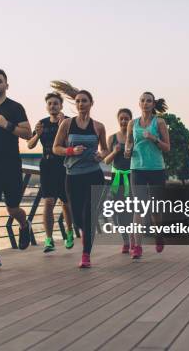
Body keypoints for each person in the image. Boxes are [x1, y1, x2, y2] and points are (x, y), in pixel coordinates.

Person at [0, 68, 33, 267]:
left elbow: (28, 133)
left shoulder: (15, 108)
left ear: (6, 85)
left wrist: (7, 125)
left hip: (11, 164)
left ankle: (24, 224)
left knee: (12, 209)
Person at [52, 81, 108, 268]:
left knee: (90, 215)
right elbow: (55, 148)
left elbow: (106, 150)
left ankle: (86, 255)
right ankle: (85, 234)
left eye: (84, 101)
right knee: (77, 217)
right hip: (73, 176)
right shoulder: (67, 124)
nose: (80, 104)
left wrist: (101, 155)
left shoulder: (98, 126)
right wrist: (71, 151)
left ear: (91, 103)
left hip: (94, 175)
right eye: (77, 101)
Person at [124, 92, 170, 259]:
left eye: (148, 101)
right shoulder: (132, 123)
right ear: (139, 103)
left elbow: (167, 147)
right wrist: (127, 150)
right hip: (137, 169)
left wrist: (153, 138)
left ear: (153, 104)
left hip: (156, 169)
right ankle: (137, 246)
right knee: (139, 207)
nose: (145, 103)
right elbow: (129, 142)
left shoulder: (159, 122)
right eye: (142, 100)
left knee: (156, 209)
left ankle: (159, 235)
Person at [27, 92, 74, 252]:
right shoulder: (42, 123)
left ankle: (69, 232)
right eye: (50, 104)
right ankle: (49, 239)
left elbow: (71, 144)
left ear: (61, 106)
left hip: (65, 166)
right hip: (47, 166)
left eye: (55, 103)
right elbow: (30, 145)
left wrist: (63, 127)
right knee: (48, 202)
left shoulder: (67, 122)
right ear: (47, 106)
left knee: (66, 203)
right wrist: (38, 134)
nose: (52, 106)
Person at [103, 108, 133, 254]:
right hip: (117, 179)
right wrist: (115, 152)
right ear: (118, 120)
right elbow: (106, 160)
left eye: (126, 118)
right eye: (121, 118)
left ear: (130, 121)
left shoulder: (134, 137)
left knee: (132, 211)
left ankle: (133, 239)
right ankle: (125, 241)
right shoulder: (112, 138)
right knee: (119, 211)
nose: (123, 121)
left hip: (132, 177)